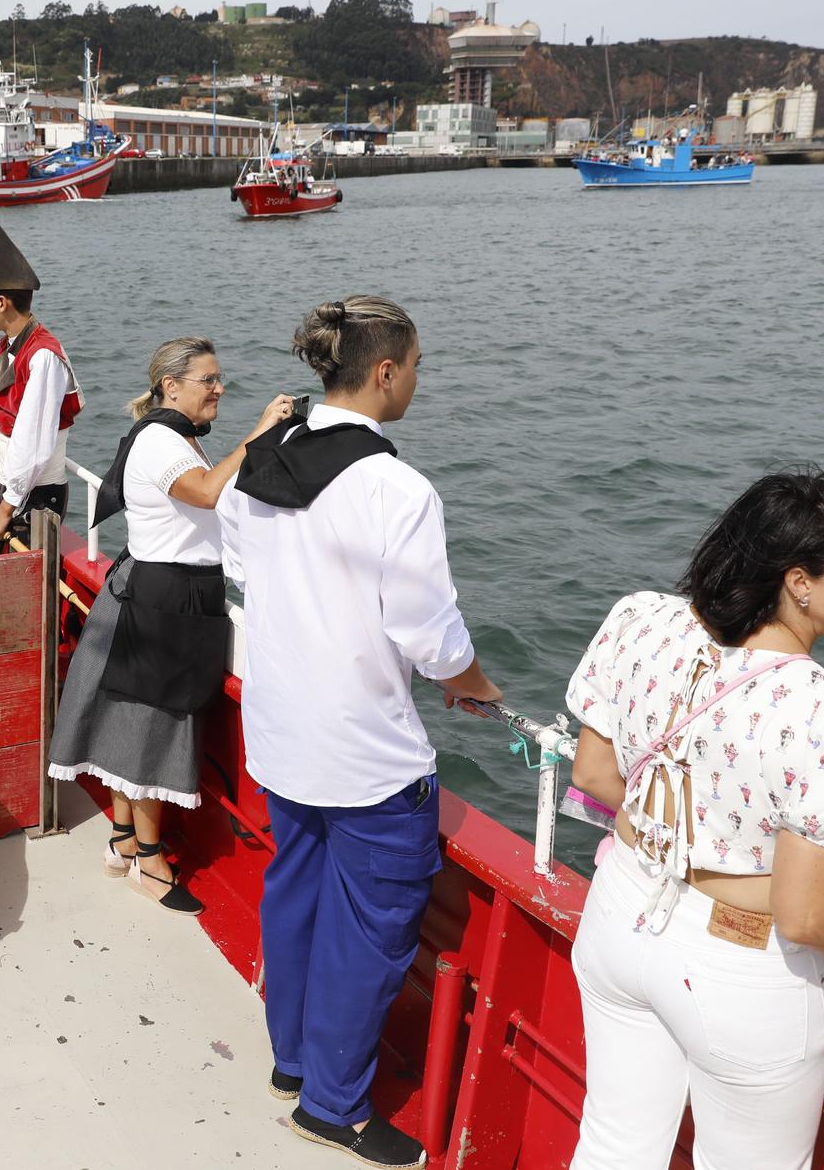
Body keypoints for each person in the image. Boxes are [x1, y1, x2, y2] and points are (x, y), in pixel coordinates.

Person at [563, 470, 824, 1170]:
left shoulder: (642, 619)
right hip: (738, 970)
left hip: (620, 915)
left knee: (612, 1145)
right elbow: (806, 918)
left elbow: (594, 776)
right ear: (799, 581)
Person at [217, 296, 504, 1169]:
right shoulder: (397, 490)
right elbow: (428, 633)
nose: (417, 379)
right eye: (416, 365)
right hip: (366, 755)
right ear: (385, 372)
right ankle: (332, 1105)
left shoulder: (261, 460)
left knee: (293, 892)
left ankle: (292, 1060)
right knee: (372, 927)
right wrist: (474, 685)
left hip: (278, 731)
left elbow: (241, 566)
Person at [48, 337, 293, 914]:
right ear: (170, 386)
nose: (218, 388)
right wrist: (259, 433)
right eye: (208, 379)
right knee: (155, 724)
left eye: (217, 377)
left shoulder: (167, 437)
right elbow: (207, 494)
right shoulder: (161, 442)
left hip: (158, 590)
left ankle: (124, 842)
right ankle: (150, 862)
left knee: (131, 718)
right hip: (168, 596)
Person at [0, 222, 82, 544]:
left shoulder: (43, 357)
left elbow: (34, 439)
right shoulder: (3, 347)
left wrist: (7, 506)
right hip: (8, 488)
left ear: (2, 302)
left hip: (36, 495)